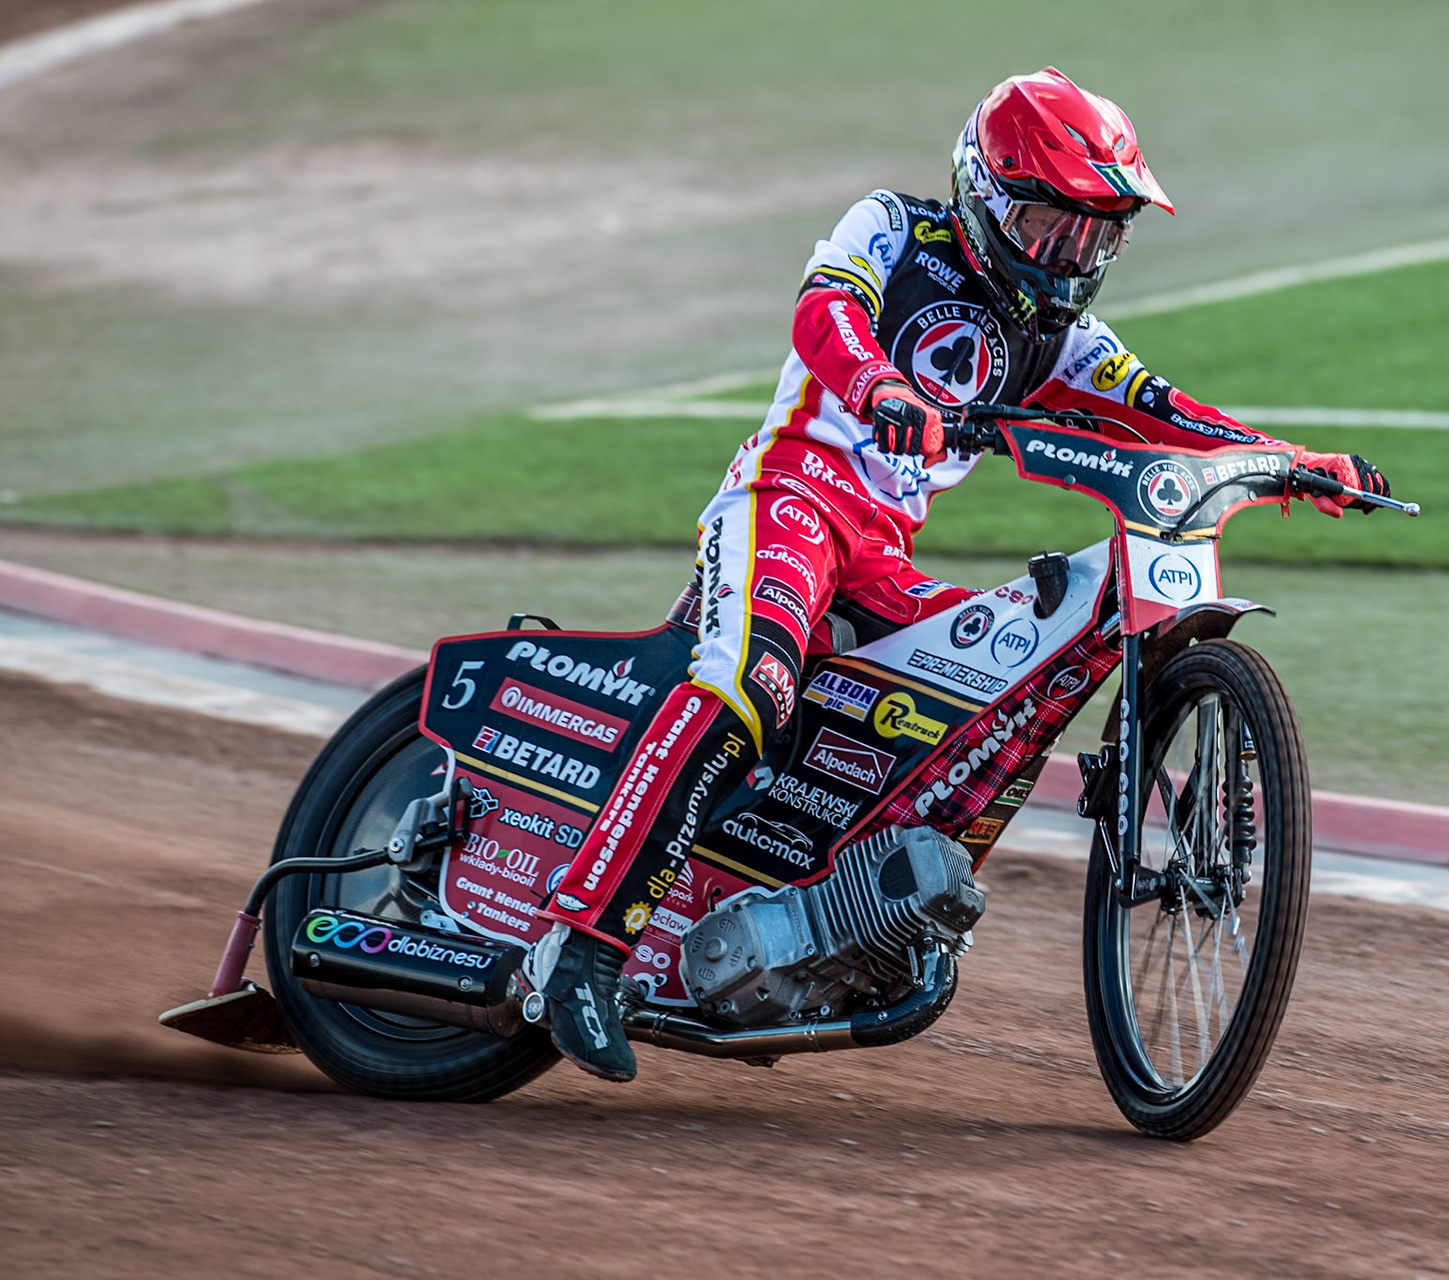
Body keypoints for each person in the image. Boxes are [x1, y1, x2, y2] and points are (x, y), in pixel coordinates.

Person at [531, 66, 1391, 1080]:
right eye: (1048, 225)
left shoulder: (1063, 338)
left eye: (1098, 234)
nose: (1072, 258)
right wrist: (878, 382)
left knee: (989, 688)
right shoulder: (893, 228)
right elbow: (825, 313)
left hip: (879, 559)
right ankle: (578, 949)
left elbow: (1164, 409)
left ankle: (838, 920)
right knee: (751, 684)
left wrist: (1293, 462)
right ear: (984, 196)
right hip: (788, 505)